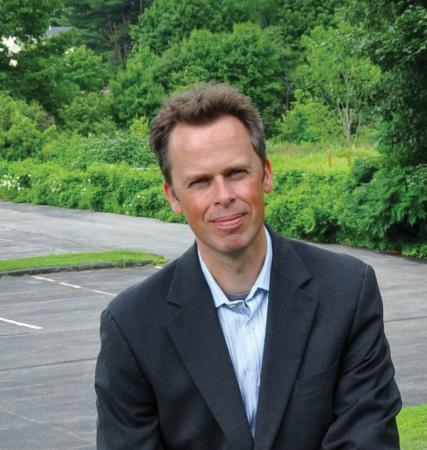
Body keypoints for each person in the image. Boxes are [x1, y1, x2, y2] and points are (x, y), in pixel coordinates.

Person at [94, 84, 402, 450]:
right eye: (200, 182)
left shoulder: (347, 291)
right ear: (173, 197)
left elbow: (367, 439)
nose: (223, 196)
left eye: (236, 173)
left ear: (266, 174)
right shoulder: (131, 325)